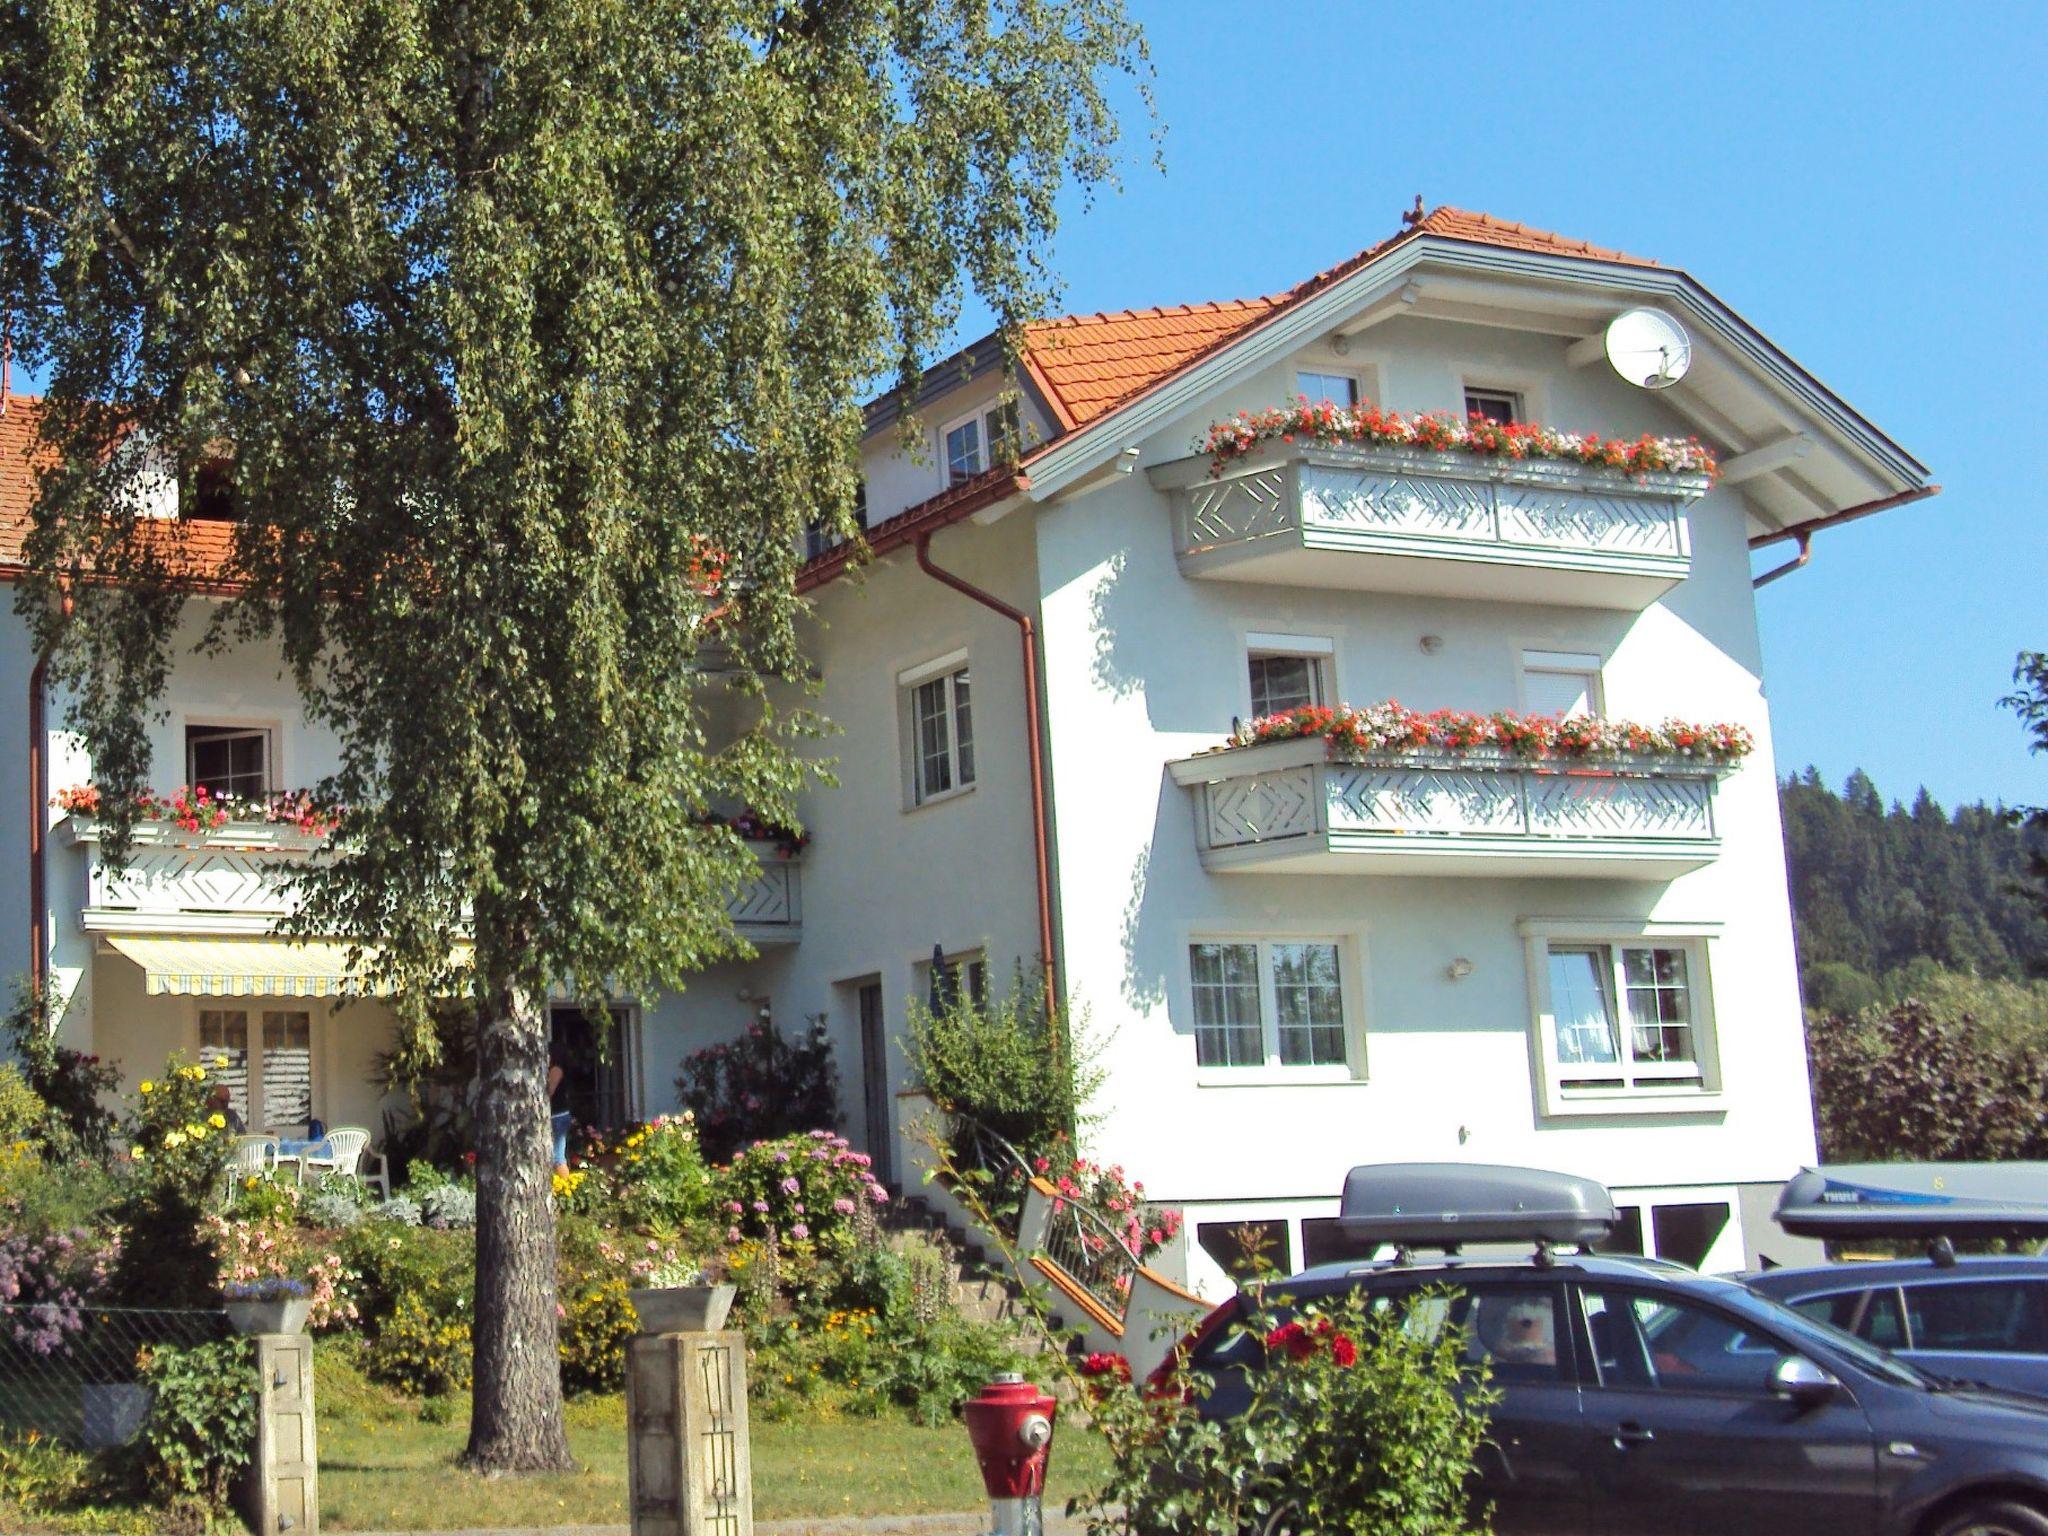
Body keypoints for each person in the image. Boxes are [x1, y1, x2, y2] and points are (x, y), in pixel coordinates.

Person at [547, 1047, 570, 1174]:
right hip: (557, 1115)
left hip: (558, 1116)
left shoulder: (556, 1069)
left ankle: (567, 1187)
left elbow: (550, 1090)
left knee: (558, 1158)